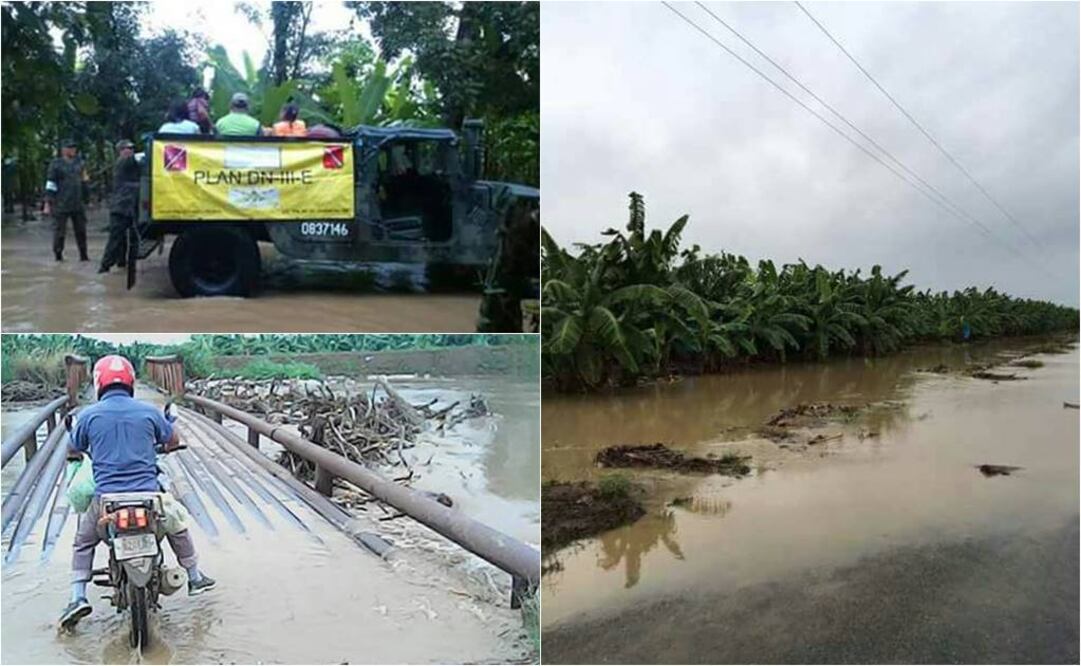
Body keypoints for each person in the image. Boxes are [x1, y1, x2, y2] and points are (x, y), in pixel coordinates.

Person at [59, 355, 216, 629]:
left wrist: (82, 454)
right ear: (131, 381)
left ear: (99, 383)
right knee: (177, 523)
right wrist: (163, 444)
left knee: (83, 541)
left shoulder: (88, 416)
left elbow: (73, 448)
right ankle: (193, 575)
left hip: (106, 500)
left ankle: (77, 597)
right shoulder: (150, 412)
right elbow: (173, 440)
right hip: (149, 497)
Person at [44, 138, 90, 262]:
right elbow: (50, 184)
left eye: (74, 148)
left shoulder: (80, 163)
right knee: (60, 232)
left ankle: (84, 256)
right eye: (69, 148)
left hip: (77, 203)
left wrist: (87, 199)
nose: (72, 150)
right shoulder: (56, 164)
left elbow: (85, 182)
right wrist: (47, 203)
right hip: (60, 203)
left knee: (81, 231)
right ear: (64, 150)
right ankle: (58, 256)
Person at [98, 140, 140, 274]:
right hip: (121, 207)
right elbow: (138, 159)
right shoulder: (123, 162)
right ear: (121, 151)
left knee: (128, 238)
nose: (131, 150)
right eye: (128, 148)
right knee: (115, 239)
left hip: (129, 207)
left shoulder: (130, 165)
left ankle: (123, 265)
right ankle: (105, 267)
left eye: (132, 148)